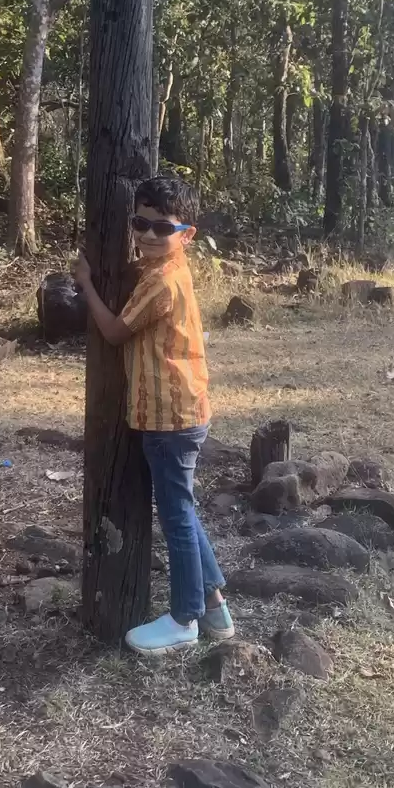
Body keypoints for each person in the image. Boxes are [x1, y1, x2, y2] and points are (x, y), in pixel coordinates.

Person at [72, 174, 234, 656]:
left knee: (178, 515)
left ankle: (185, 618)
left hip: (171, 417)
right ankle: (216, 606)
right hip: (177, 413)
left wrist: (86, 286)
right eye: (140, 223)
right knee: (183, 508)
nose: (146, 235)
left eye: (161, 228)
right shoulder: (164, 269)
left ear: (187, 234)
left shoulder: (162, 280)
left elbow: (117, 332)